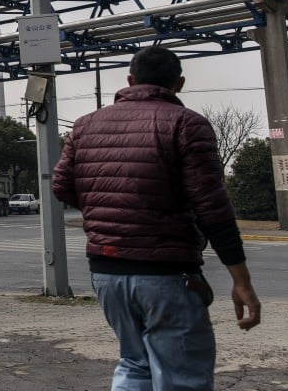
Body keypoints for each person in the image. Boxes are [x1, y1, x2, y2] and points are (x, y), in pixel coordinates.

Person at [52, 46, 261, 390]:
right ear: (178, 84)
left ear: (130, 80)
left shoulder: (85, 125)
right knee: (183, 376)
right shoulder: (186, 123)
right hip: (166, 272)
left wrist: (103, 207)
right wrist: (241, 280)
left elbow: (61, 185)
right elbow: (212, 206)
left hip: (106, 272)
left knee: (134, 364)